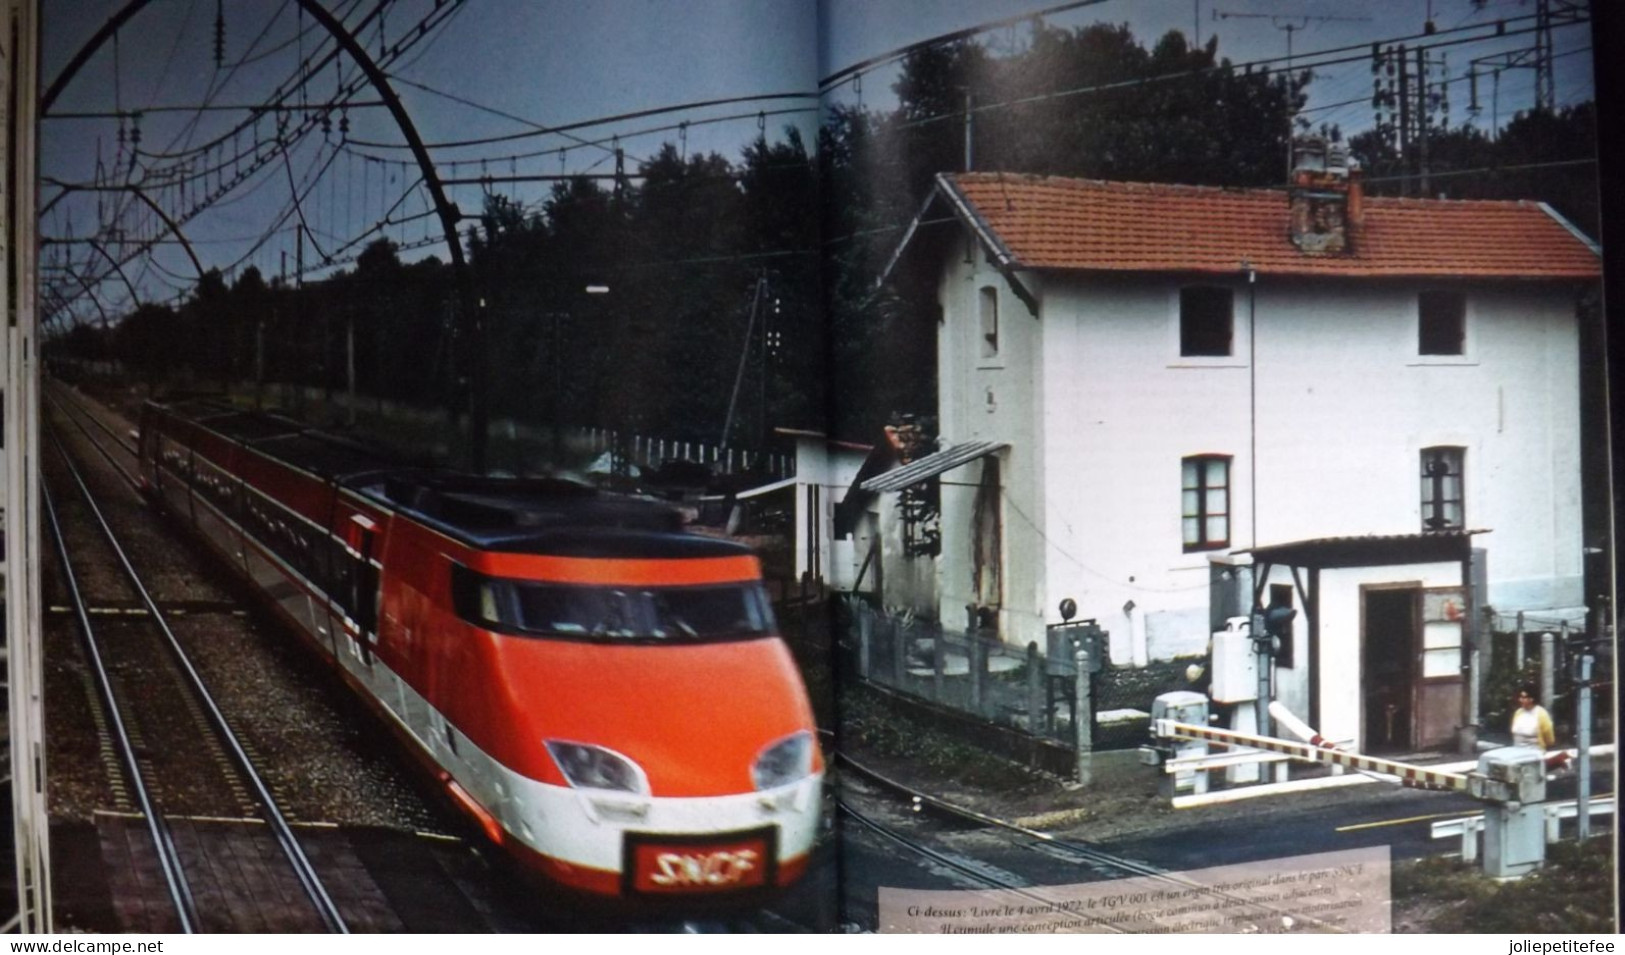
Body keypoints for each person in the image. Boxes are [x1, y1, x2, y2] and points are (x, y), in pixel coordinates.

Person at [1511, 683, 1569, 771]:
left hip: (1534, 757)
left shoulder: (1541, 714)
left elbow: (1550, 740)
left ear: (1532, 699)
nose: (1521, 700)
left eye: (1524, 697)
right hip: (1517, 755)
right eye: (1520, 697)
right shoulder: (1518, 713)